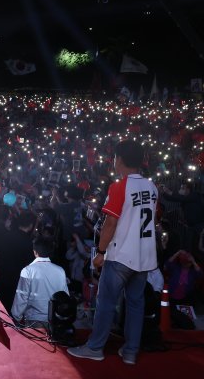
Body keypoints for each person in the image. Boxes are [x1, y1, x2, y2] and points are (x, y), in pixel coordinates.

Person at [68, 139, 158, 366]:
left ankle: (95, 347)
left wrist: (100, 251)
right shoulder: (151, 187)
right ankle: (130, 352)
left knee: (106, 302)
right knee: (136, 304)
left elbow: (110, 223)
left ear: (120, 160)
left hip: (120, 256)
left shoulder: (120, 187)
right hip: (144, 256)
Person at [10, 237, 70, 327]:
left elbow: (22, 296)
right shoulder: (60, 270)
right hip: (55, 321)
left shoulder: (28, 271)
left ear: (35, 252)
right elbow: (65, 296)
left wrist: (16, 317)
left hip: (34, 320)